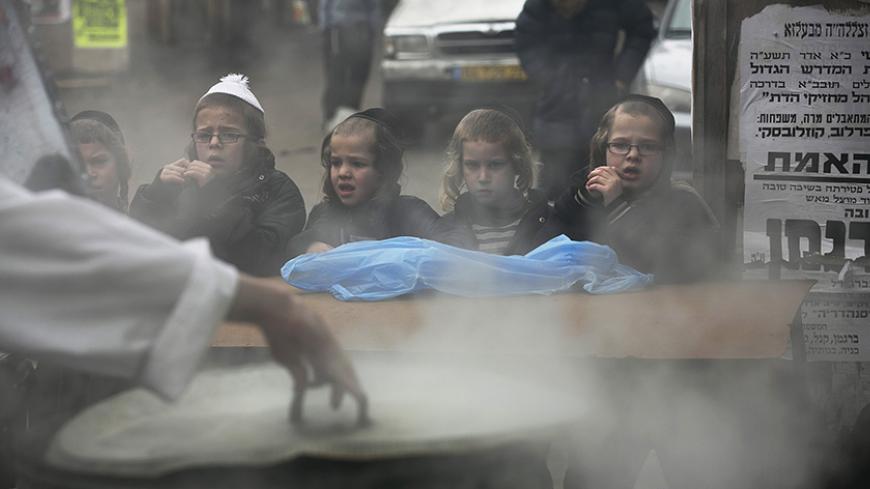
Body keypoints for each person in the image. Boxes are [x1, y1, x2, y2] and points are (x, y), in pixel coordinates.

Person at [0, 175, 366, 424]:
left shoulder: (273, 189)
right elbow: (51, 247)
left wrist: (263, 302)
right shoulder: (170, 188)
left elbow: (42, 239)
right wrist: (267, 304)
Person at [130, 74, 306, 277]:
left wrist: (216, 197)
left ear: (254, 143)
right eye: (204, 135)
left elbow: (260, 259)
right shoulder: (178, 185)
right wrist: (154, 197)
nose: (214, 143)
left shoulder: (277, 189)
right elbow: (138, 250)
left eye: (229, 135)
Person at [555, 95, 721, 284]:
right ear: (603, 150)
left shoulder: (684, 202)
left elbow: (687, 271)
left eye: (648, 146)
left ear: (666, 156)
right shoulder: (582, 195)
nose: (633, 155)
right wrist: (581, 201)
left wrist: (617, 206)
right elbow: (541, 254)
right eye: (620, 145)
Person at [515, 0, 655, 200]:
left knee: (603, 183)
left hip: (602, 101)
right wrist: (547, 77)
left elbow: (642, 27)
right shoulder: (538, 6)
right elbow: (525, 40)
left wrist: (622, 75)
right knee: (554, 189)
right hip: (556, 106)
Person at [288, 108, 441, 256]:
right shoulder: (327, 213)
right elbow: (296, 245)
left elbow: (447, 246)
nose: (343, 173)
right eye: (336, 162)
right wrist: (310, 245)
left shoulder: (408, 213)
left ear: (384, 170)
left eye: (357, 164)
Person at [435, 108, 566, 255]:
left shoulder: (546, 224)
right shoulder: (447, 231)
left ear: (517, 164)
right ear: (460, 167)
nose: (483, 177)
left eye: (495, 165)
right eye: (472, 165)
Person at [319, 0, 381, 128]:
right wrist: (326, 29)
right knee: (336, 73)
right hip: (337, 30)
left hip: (361, 29)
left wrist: (372, 29)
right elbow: (324, 6)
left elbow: (374, 8)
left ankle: (352, 113)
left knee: (359, 73)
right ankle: (331, 115)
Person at [69, 110, 132, 213]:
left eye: (99, 162)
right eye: (78, 164)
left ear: (120, 166)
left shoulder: (142, 224)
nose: (89, 173)